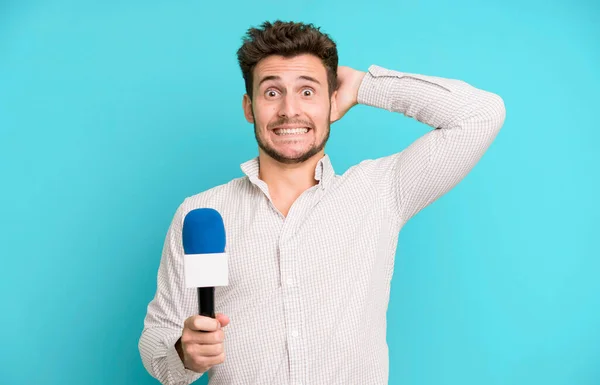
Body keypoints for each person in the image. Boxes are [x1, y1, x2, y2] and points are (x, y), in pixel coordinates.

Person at [138, 20, 506, 385]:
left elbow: (481, 113)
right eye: (271, 93)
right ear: (249, 108)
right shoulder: (201, 212)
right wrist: (184, 353)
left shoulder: (381, 191)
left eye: (308, 91)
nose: (289, 110)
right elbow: (159, 340)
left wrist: (364, 85)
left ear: (333, 102)